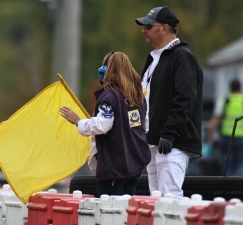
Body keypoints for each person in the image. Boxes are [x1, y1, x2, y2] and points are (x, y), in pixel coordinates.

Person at [60, 52, 151, 197]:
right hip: (136, 164)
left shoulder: (109, 96)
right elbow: (144, 127)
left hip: (115, 168)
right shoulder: (138, 97)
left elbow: (103, 125)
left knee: (111, 212)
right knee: (127, 211)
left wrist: (78, 121)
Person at [135, 6, 203, 197]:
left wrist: (170, 133)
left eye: (148, 26)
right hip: (155, 140)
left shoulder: (182, 57)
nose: (144, 30)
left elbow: (185, 98)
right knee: (156, 198)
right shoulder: (154, 59)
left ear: (164, 28)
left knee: (170, 197)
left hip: (173, 143)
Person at [208, 78, 243, 176]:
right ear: (241, 89)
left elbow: (215, 121)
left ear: (230, 89)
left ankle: (227, 189)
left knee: (227, 164)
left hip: (226, 138)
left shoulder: (224, 101)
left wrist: (211, 136)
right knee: (242, 164)